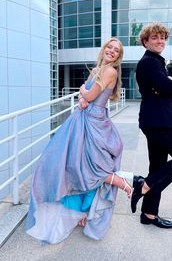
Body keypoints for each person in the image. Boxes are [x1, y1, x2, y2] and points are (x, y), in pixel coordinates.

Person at [25, 38, 133, 244]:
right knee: (75, 165)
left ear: (118, 57)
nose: (111, 51)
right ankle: (83, 210)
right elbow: (86, 98)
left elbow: (89, 95)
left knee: (88, 166)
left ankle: (120, 182)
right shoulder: (98, 69)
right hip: (85, 120)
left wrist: (84, 93)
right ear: (104, 49)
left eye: (116, 50)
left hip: (93, 123)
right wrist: (84, 96)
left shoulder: (109, 71)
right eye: (109, 47)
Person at [131, 22, 172, 229]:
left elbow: (165, 88)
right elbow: (168, 87)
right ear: (145, 42)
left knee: (158, 167)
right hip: (159, 123)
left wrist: (168, 84)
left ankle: (149, 214)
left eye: (162, 38)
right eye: (154, 38)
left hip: (157, 120)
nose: (160, 41)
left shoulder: (156, 62)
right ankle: (144, 184)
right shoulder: (149, 62)